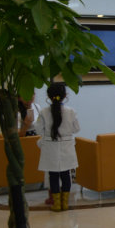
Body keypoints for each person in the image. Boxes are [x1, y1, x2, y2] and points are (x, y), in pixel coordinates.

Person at [35, 82, 80, 212]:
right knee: (66, 175)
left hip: (50, 147)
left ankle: (57, 204)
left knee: (53, 175)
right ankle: (65, 203)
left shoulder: (43, 112)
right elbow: (76, 129)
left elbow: (39, 130)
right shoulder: (71, 111)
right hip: (67, 146)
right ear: (65, 95)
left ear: (48, 96)